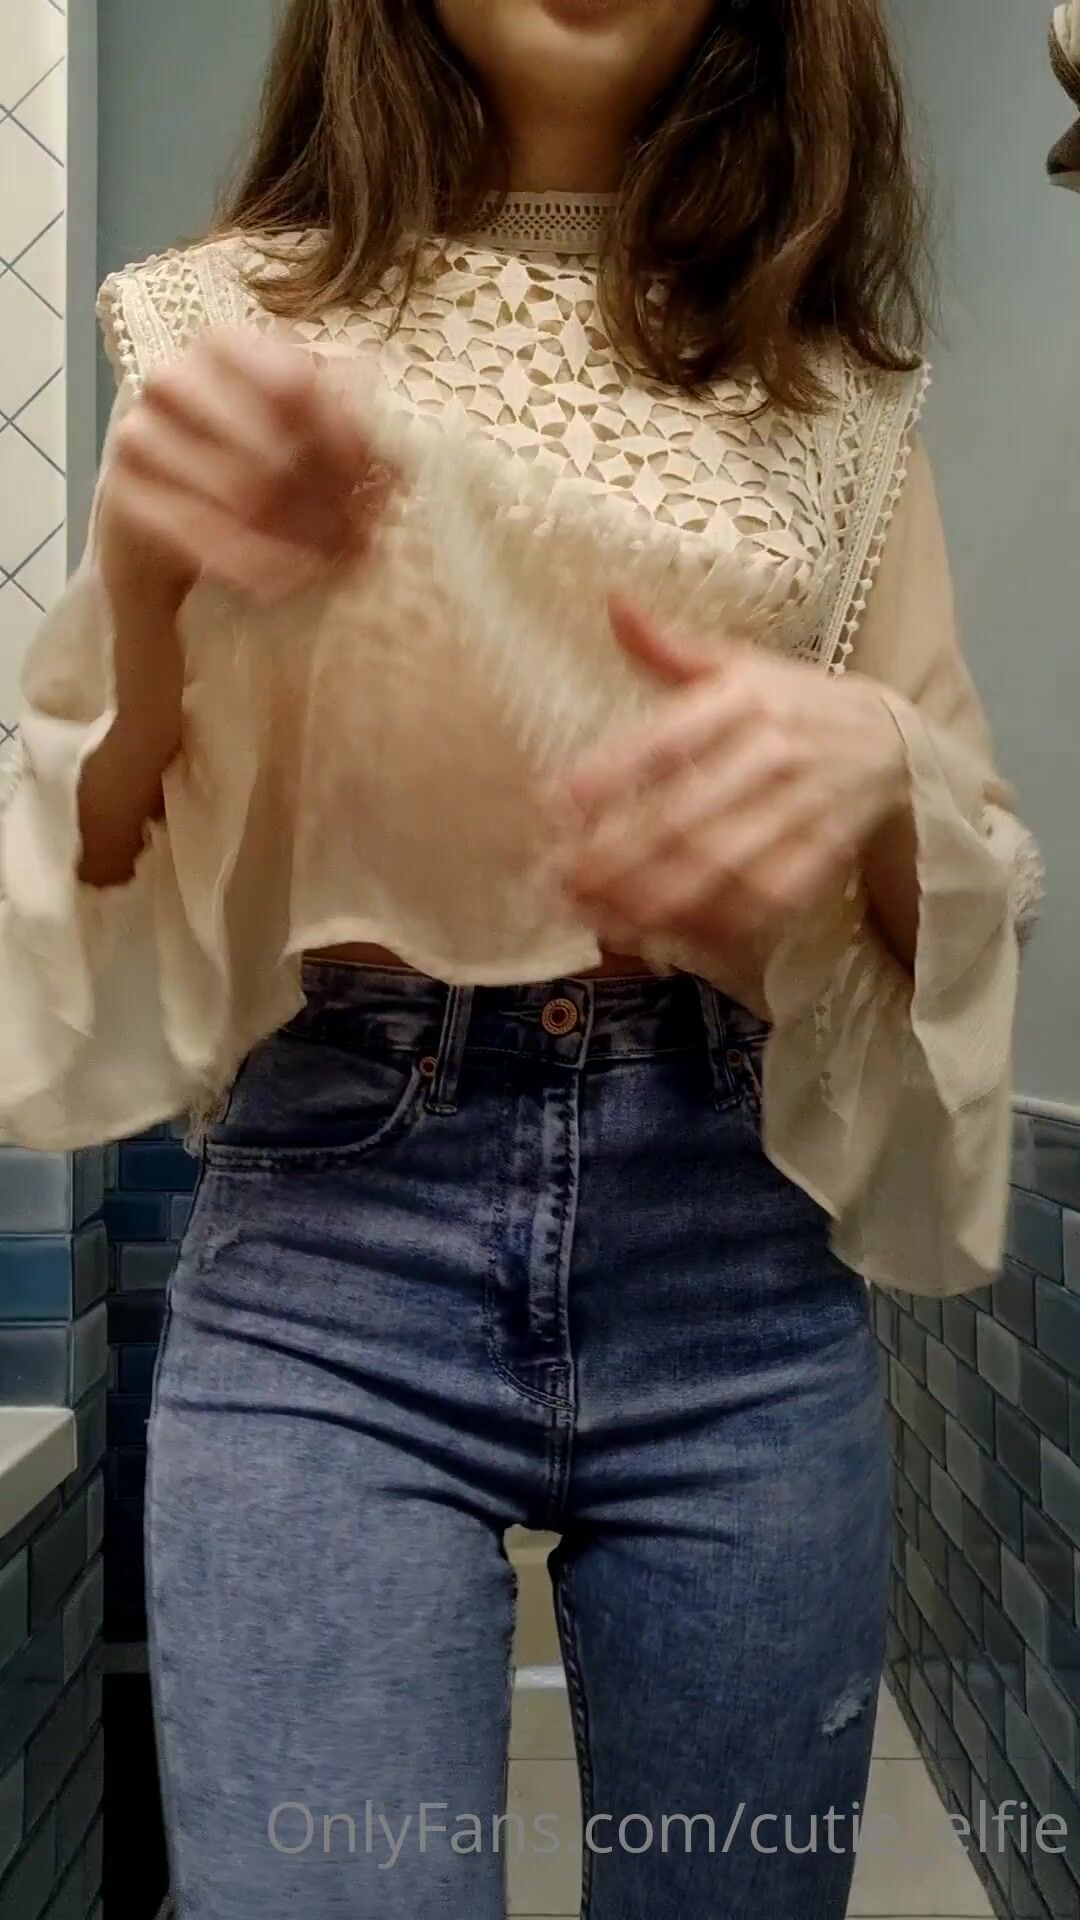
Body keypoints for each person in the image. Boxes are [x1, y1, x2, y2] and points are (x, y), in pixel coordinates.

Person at [0, 2, 1042, 1915]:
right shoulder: (217, 329)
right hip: (331, 1254)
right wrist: (144, 596)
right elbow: (88, 873)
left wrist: (885, 780)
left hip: (737, 1258)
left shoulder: (834, 398)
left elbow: (961, 915)